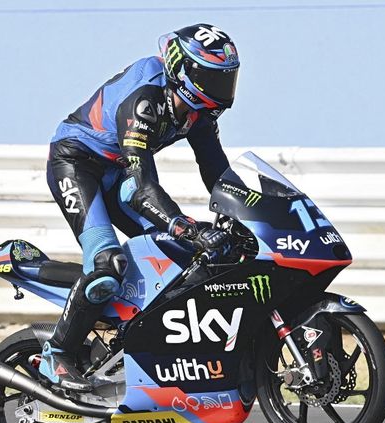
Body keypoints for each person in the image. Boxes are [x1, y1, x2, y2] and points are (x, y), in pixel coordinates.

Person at [38, 23, 240, 391]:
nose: (220, 90)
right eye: (210, 78)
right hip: (76, 164)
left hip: (117, 173)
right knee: (107, 263)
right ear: (182, 70)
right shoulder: (145, 101)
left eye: (225, 79)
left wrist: (249, 213)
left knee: (184, 257)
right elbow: (142, 191)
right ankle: (58, 354)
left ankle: (139, 342)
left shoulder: (198, 112)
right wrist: (186, 226)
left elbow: (216, 170)